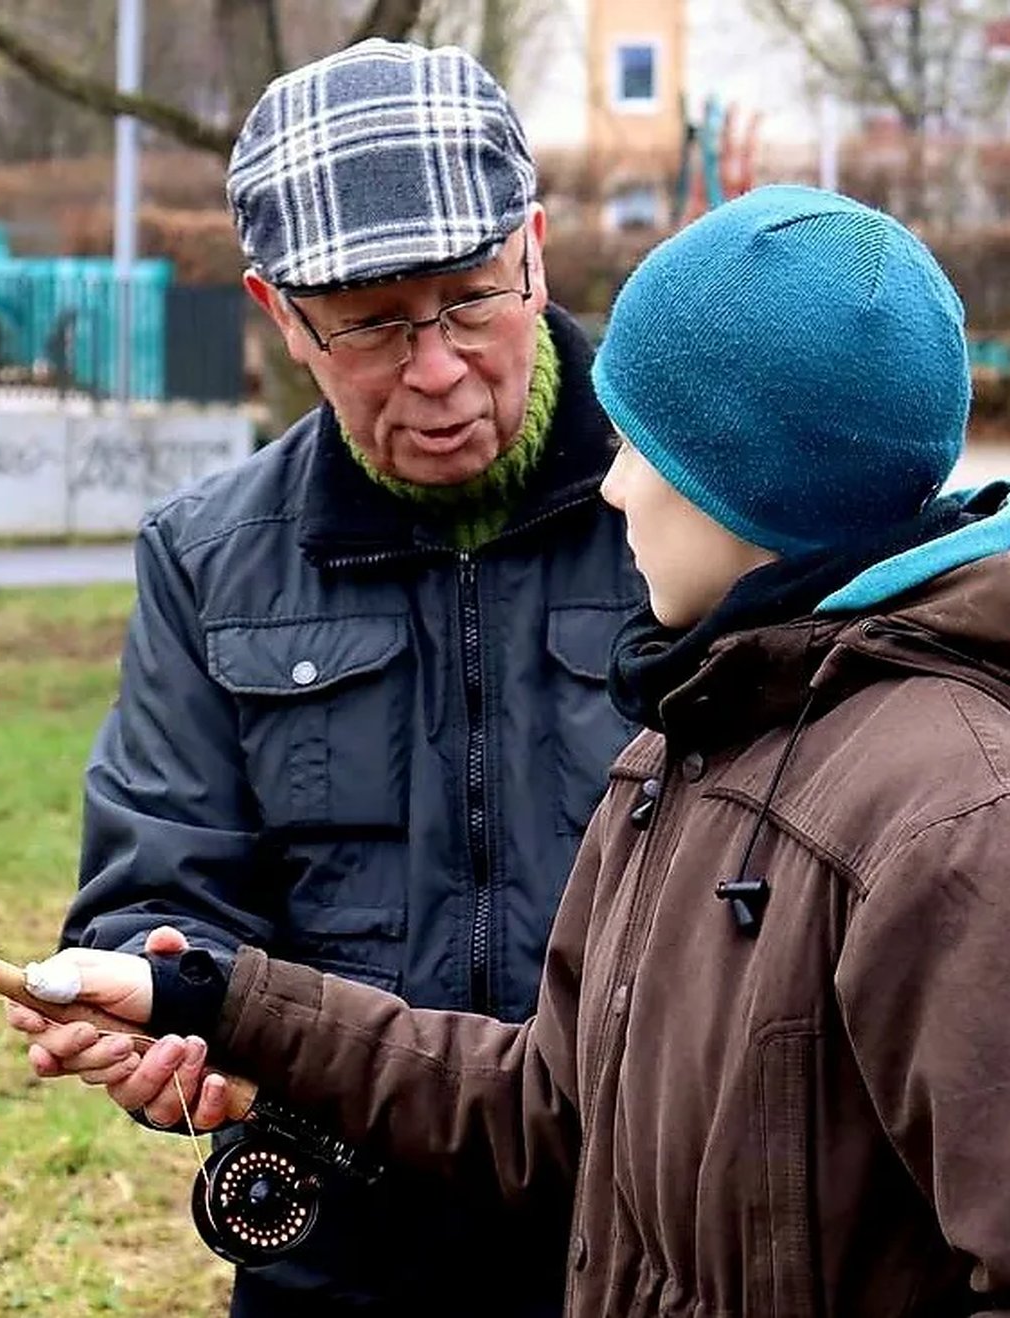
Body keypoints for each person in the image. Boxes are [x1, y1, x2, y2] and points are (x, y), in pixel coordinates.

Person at [15, 184, 1010, 1317]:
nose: (610, 492)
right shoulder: (694, 749)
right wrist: (213, 996)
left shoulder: (968, 823)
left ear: (748, 485)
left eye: (642, 449)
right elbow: (551, 1108)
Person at [54, 36, 641, 1318]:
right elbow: (159, 893)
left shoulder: (694, 506)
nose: (434, 370)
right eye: (371, 326)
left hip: (658, 1233)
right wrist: (162, 1005)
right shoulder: (208, 559)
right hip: (345, 1251)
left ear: (535, 249)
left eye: (472, 299)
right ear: (279, 315)